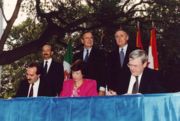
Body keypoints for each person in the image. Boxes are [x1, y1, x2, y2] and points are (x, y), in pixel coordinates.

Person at [73, 31, 106, 96]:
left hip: (95, 90)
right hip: (79, 90)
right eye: (87, 38)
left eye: (91, 38)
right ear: (82, 41)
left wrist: (102, 89)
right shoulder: (76, 56)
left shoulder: (101, 54)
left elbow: (104, 72)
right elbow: (74, 73)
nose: (89, 40)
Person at [107, 28, 137, 95]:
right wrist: (110, 88)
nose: (119, 38)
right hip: (116, 92)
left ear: (127, 37)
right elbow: (109, 73)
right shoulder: (111, 55)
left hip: (133, 89)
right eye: (117, 36)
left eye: (121, 36)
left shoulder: (136, 51)